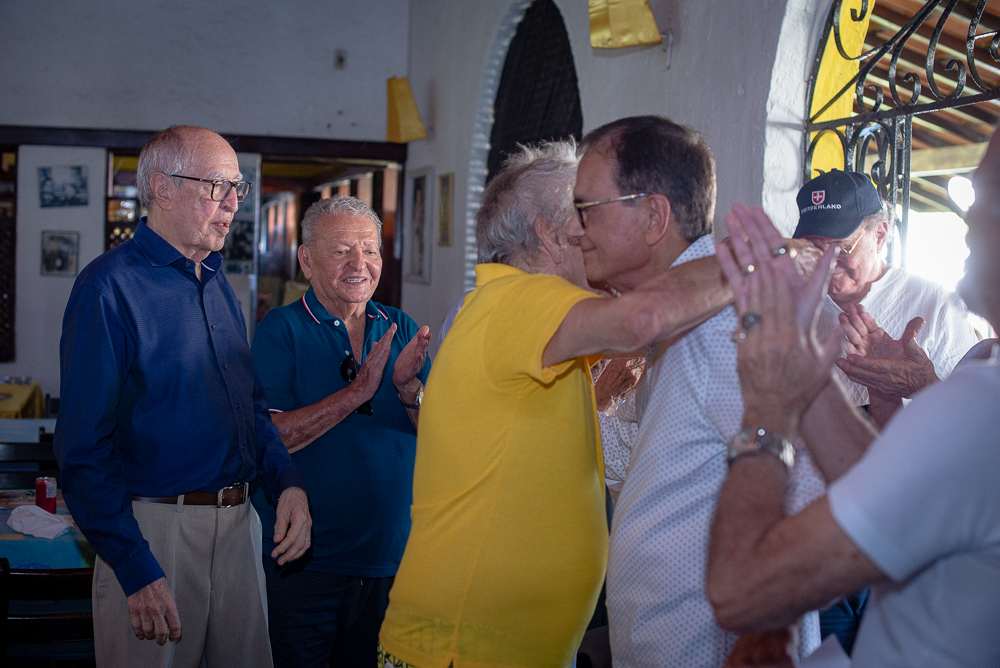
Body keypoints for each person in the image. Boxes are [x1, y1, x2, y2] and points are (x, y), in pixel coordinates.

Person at [378, 140, 733, 668]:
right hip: (462, 648)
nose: (592, 233)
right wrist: (766, 263)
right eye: (583, 215)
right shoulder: (519, 300)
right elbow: (642, 320)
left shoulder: (521, 311)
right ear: (546, 232)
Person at [705, 128, 1000, 665]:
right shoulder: (985, 382)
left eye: (985, 198)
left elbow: (736, 591)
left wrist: (770, 413)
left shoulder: (980, 401)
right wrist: (804, 362)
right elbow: (900, 476)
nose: (968, 221)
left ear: (880, 234)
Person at [54, 125, 311, 667]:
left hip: (240, 528)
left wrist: (285, 481)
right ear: (163, 189)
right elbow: (81, 449)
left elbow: (250, 406)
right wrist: (134, 566)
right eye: (219, 186)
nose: (234, 204)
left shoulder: (217, 282)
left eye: (238, 188)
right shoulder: (107, 288)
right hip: (155, 535)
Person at [573, 116, 825, 667]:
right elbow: (658, 470)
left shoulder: (726, 323)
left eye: (586, 208)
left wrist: (759, 642)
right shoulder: (677, 318)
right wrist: (605, 404)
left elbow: (804, 500)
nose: (575, 230)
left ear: (653, 216)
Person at [249, 195, 431, 668]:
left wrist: (409, 389)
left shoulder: (400, 327)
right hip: (307, 562)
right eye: (342, 250)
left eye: (369, 250)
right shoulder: (280, 330)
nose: (360, 264)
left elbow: (440, 438)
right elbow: (269, 438)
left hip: (394, 560)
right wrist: (357, 393)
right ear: (307, 260)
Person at [792, 170, 978, 427]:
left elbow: (977, 417)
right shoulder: (790, 301)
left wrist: (919, 384)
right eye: (813, 248)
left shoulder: (934, 305)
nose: (826, 264)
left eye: (840, 247)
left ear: (879, 235)